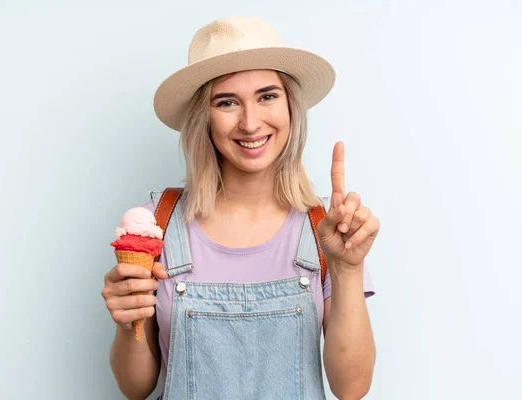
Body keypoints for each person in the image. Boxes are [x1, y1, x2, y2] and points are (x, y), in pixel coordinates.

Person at [101, 16, 380, 400]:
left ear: (290, 107)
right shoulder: (156, 225)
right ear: (205, 119)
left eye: (267, 96)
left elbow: (352, 388)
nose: (250, 123)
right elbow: (135, 388)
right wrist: (125, 321)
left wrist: (348, 270)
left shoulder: (328, 230)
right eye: (227, 102)